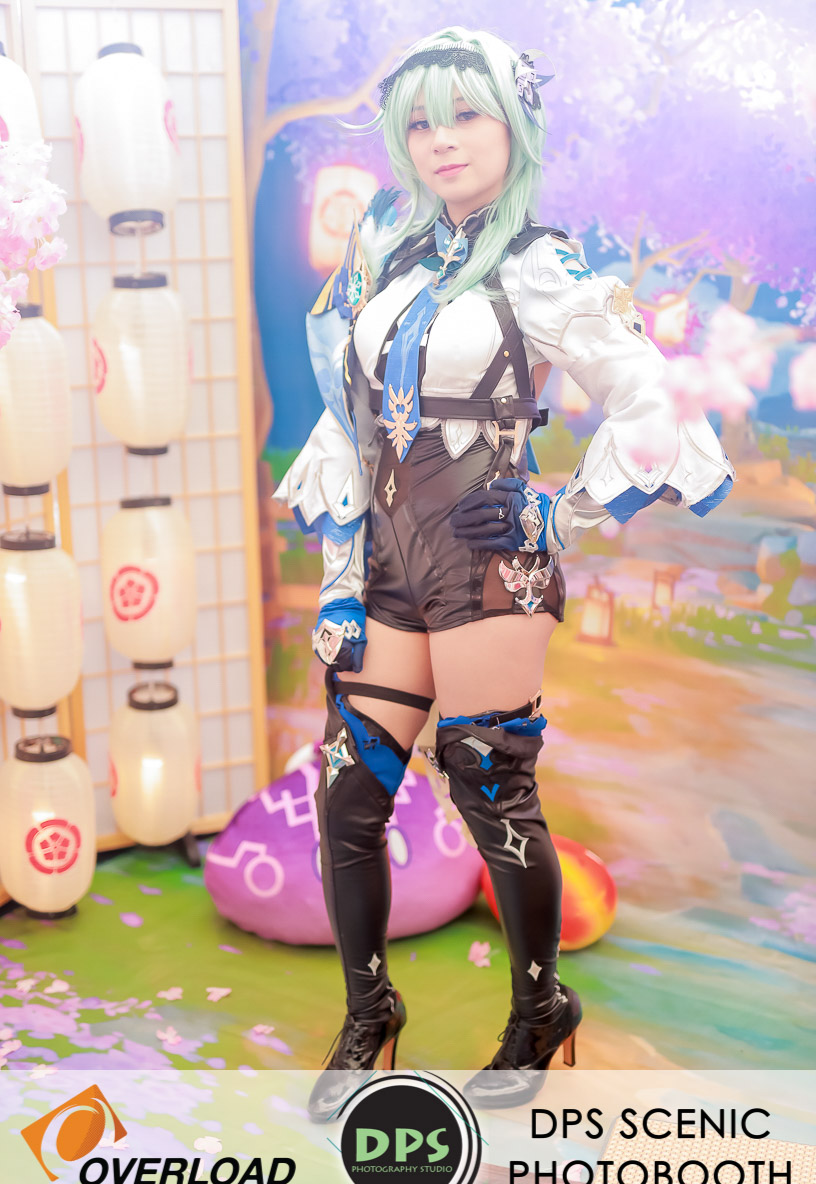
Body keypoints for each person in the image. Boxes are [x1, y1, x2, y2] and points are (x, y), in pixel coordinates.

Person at [274, 27, 734, 1120]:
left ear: (514, 126)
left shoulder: (540, 264)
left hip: (489, 562)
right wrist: (342, 565)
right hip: (390, 558)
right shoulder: (385, 254)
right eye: (420, 122)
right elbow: (348, 419)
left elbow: (652, 399)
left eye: (466, 115)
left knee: (488, 788)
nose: (442, 140)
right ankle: (371, 1013)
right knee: (347, 794)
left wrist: (558, 510)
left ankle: (539, 1014)